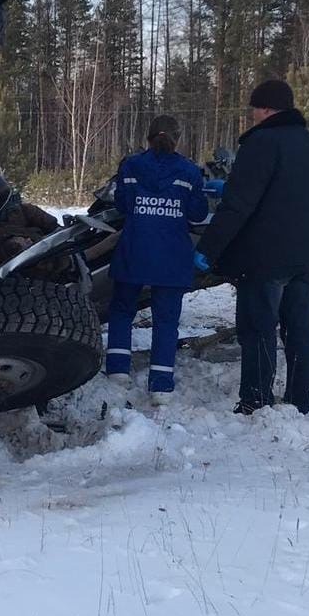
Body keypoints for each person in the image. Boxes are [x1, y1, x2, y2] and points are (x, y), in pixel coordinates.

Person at [194, 79, 309, 414]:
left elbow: (239, 205)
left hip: (265, 256)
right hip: (302, 253)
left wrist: (207, 250)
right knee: (298, 328)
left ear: (266, 109)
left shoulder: (262, 142)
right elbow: (291, 192)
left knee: (257, 327)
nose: (251, 114)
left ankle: (256, 397)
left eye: (254, 108)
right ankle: (300, 397)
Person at [105, 115, 208, 402]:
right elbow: (198, 213)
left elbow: (123, 203)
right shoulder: (189, 172)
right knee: (166, 320)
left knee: (123, 310)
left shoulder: (131, 166)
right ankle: (161, 384)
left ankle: (117, 371)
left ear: (148, 138)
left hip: (135, 249)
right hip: (172, 255)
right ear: (178, 139)